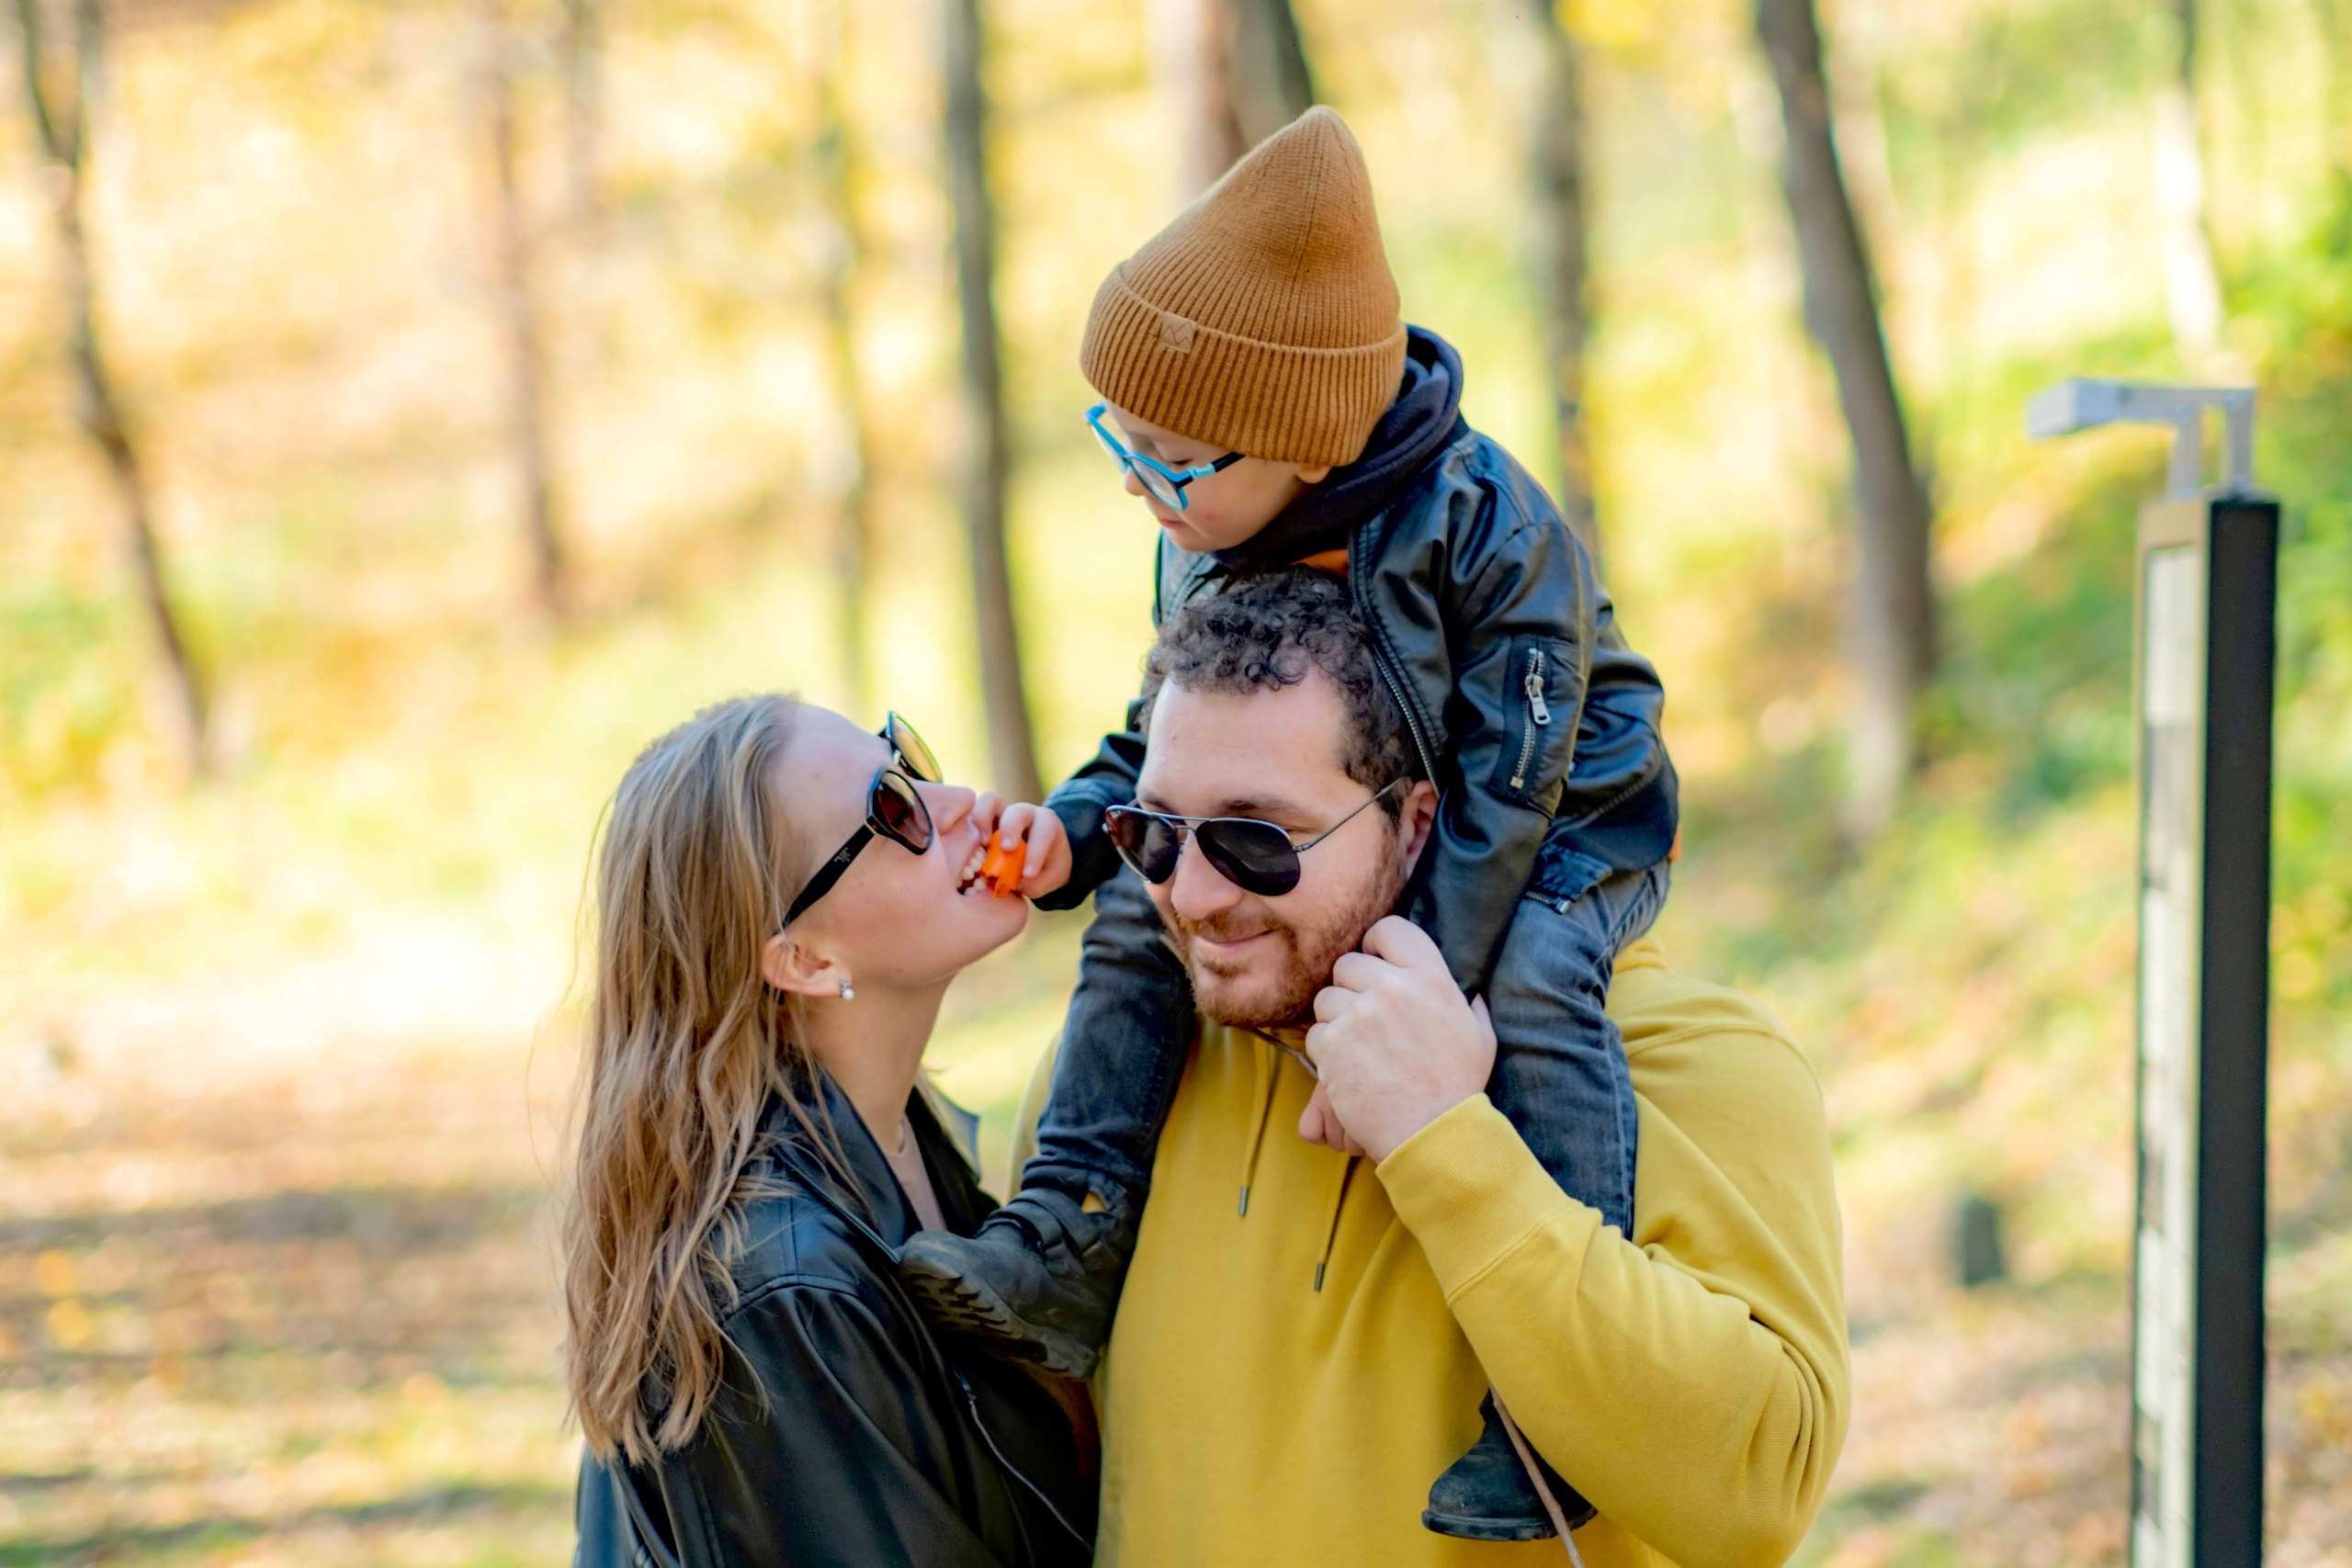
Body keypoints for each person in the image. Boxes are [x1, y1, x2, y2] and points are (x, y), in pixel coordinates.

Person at [899, 105, 1679, 1538]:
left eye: (1178, 464)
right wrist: (1080, 833)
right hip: (1345, 822)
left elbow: (1513, 784)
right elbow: (1172, 741)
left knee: (1545, 992)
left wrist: (1401, 1007)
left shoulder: (1489, 530)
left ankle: (1541, 1406)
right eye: (1120, 449)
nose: (1146, 488)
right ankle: (1068, 1228)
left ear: (1301, 441)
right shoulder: (1205, 534)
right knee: (1148, 900)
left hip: (1562, 816)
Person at [1009, 572, 1849, 1566]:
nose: (1189, 895)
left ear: (1421, 821)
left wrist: (1440, 1138)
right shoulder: (1118, 1084)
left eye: (1253, 839)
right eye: (1150, 833)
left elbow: (1754, 1495)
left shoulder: (1693, 1061)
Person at [562, 696, 1092, 1568]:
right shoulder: (784, 1289)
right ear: (803, 960)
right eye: (893, 808)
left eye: (906, 759)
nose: (955, 799)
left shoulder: (895, 1140)